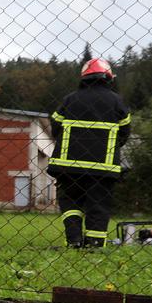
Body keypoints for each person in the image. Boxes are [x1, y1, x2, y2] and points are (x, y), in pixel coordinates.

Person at [48, 58, 131, 248]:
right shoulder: (116, 101)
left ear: (84, 77)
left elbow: (55, 125)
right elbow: (125, 132)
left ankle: (74, 241)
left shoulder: (70, 99)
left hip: (69, 167)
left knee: (70, 203)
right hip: (102, 168)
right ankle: (94, 244)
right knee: (98, 206)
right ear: (108, 77)